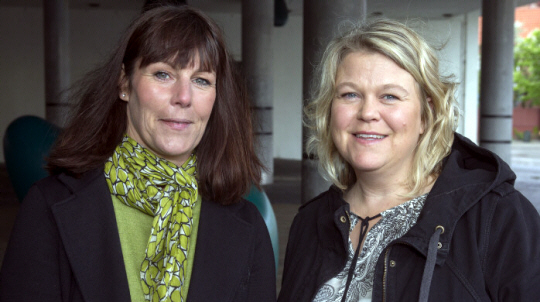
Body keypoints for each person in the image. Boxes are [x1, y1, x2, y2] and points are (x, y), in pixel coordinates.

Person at [0, 5, 275, 302]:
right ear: (124, 84)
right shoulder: (49, 207)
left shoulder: (247, 227)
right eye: (163, 74)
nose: (183, 97)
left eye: (201, 80)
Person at [278, 18, 540, 302]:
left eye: (389, 96)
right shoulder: (310, 222)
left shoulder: (497, 216)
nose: (368, 112)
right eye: (350, 94)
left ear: (426, 116)